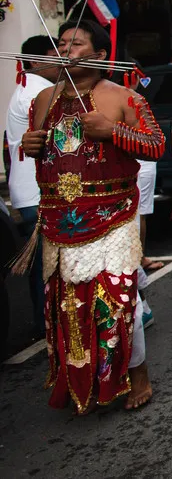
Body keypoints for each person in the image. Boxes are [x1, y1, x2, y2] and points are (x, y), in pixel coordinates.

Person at [21, 19, 162, 412]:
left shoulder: (122, 97)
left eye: (77, 43)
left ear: (101, 56)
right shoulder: (44, 99)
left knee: (118, 301)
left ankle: (138, 375)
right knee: (67, 306)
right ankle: (80, 380)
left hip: (112, 217)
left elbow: (155, 146)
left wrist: (111, 131)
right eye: (62, 43)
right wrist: (29, 144)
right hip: (60, 220)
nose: (66, 49)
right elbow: (46, 155)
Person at [5, 35, 59, 339]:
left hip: (29, 192)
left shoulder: (28, 88)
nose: (64, 59)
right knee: (46, 266)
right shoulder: (40, 93)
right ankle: (47, 325)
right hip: (38, 193)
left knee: (45, 265)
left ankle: (47, 323)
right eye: (57, 54)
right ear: (37, 61)